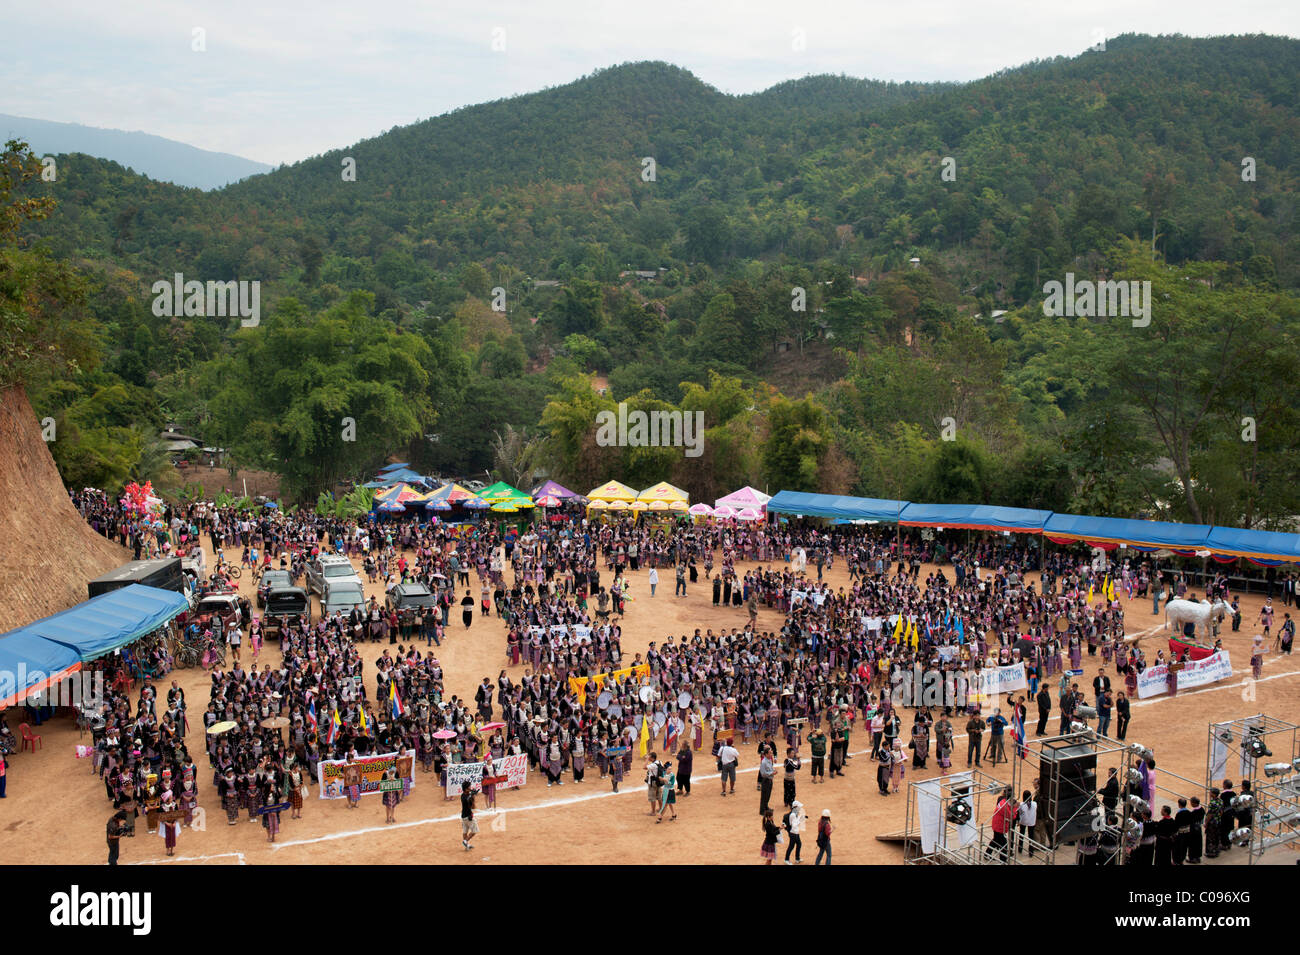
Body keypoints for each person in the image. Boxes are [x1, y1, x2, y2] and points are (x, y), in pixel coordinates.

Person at [1017, 789, 1037, 856]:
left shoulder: (1021, 804)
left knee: (1021, 835)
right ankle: (1031, 852)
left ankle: (1020, 849)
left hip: (1024, 821)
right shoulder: (1034, 803)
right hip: (1031, 822)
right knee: (1031, 837)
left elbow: (1019, 813)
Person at [657, 758, 678, 822]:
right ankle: (674, 814)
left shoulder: (672, 775)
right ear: (666, 769)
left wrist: (664, 780)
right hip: (666, 790)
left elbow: (671, 784)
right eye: (669, 769)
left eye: (671, 769)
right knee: (669, 803)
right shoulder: (664, 773)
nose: (670, 770)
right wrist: (660, 779)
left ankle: (660, 817)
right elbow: (661, 778)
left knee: (665, 804)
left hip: (670, 791)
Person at [460, 781, 478, 851]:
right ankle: (465, 841)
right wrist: (473, 797)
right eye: (469, 787)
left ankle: (466, 846)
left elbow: (467, 798)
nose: (471, 788)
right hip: (469, 817)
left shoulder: (462, 795)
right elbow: (473, 807)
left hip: (463, 816)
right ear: (466, 789)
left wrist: (471, 795)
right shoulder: (469, 797)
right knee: (474, 831)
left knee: (465, 831)